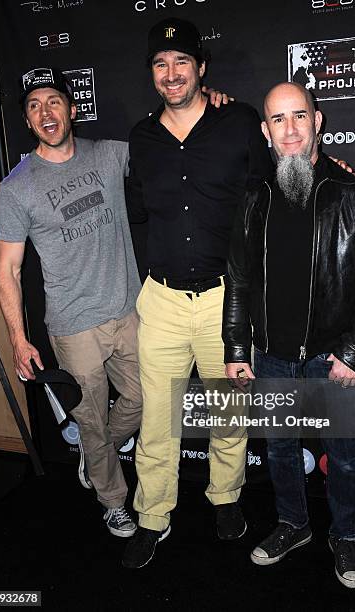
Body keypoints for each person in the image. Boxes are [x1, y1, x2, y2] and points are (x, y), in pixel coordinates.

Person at [223, 82, 355, 588]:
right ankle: (294, 526)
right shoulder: (254, 196)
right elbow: (238, 278)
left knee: (342, 454)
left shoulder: (353, 194)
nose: (291, 129)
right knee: (278, 449)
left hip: (331, 357)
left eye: (300, 116)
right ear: (265, 130)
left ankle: (345, 538)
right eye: (279, 119)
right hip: (272, 356)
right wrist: (236, 347)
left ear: (317, 122)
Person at [122, 17, 274, 568]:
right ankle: (153, 515)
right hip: (160, 300)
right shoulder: (141, 138)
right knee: (158, 419)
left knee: (228, 411)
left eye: (181, 61)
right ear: (152, 75)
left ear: (201, 69)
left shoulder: (238, 122)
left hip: (225, 300)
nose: (171, 73)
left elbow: (278, 188)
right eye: (160, 64)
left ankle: (225, 497)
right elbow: (134, 209)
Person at [0, 67, 143, 538]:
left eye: (54, 101)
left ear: (72, 109)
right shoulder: (16, 186)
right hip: (72, 324)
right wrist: (19, 341)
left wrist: (208, 100)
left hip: (127, 311)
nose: (46, 112)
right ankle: (112, 499)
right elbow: (8, 271)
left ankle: (94, 451)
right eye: (35, 106)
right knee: (90, 417)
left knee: (144, 399)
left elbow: (173, 143)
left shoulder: (108, 155)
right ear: (28, 120)